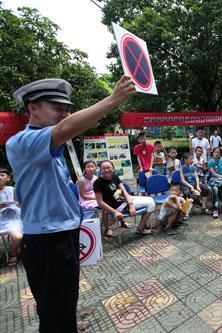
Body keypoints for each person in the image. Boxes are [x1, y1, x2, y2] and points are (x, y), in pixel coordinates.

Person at [6, 76, 134, 332]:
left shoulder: (51, 145)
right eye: (57, 108)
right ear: (32, 108)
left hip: (61, 234)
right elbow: (65, 130)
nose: (65, 114)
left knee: (63, 303)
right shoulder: (22, 142)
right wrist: (112, 100)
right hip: (46, 240)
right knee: (54, 313)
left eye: (67, 109)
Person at [94, 160, 155, 237]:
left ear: (113, 168)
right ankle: (141, 228)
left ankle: (142, 226)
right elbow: (100, 202)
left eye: (108, 167)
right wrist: (115, 212)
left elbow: (124, 191)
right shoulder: (97, 182)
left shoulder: (114, 176)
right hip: (117, 206)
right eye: (103, 168)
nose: (106, 170)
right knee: (151, 203)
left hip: (124, 200)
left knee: (150, 199)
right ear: (100, 170)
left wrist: (131, 204)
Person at [0, 167, 22, 267]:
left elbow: (20, 205)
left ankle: (13, 253)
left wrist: (15, 204)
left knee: (18, 236)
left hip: (14, 217)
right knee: (17, 236)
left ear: (8, 178)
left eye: (2, 175)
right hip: (1, 219)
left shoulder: (12, 190)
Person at [208, 147, 222, 218]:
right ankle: (215, 209)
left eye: (218, 152)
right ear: (213, 153)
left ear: (220, 154)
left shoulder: (221, 161)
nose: (217, 154)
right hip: (214, 180)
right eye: (215, 152)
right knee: (215, 190)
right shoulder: (210, 162)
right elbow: (214, 174)